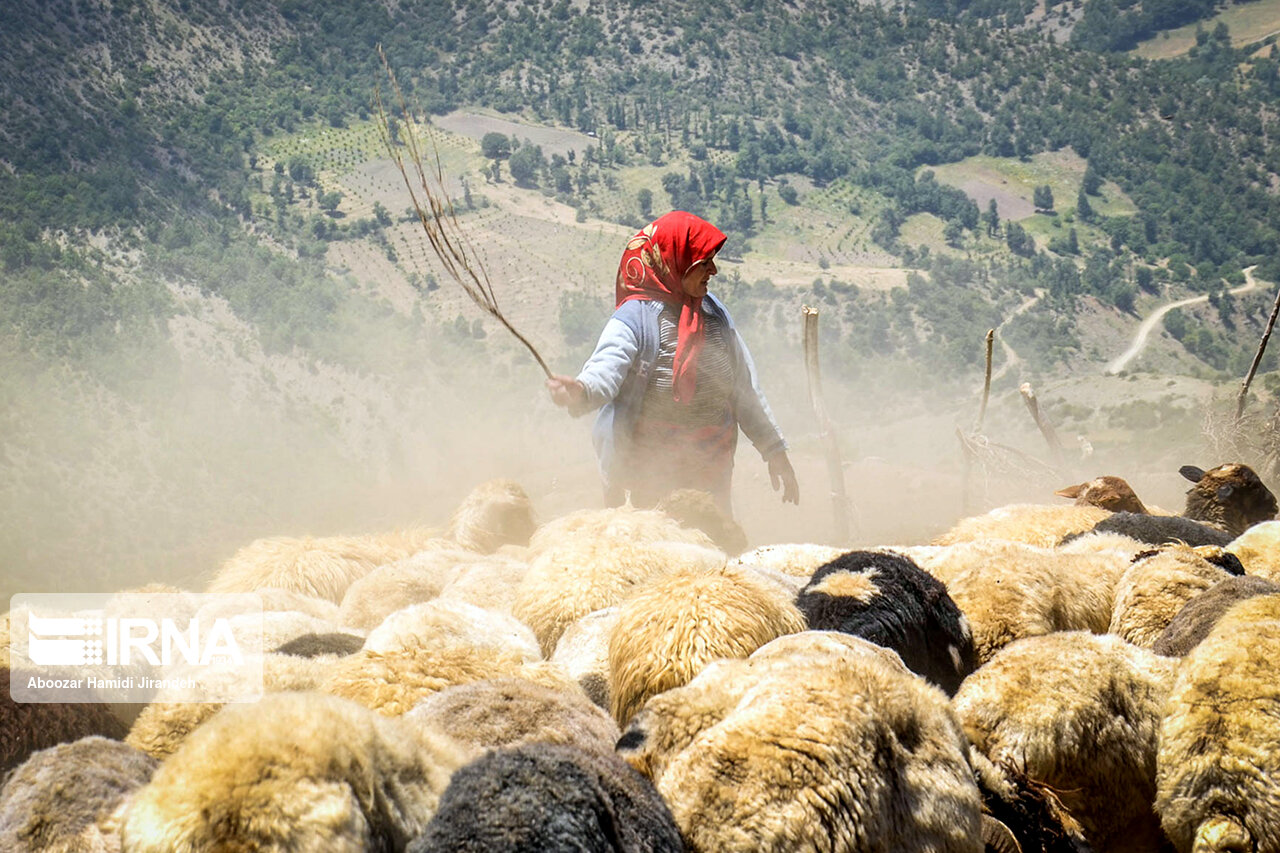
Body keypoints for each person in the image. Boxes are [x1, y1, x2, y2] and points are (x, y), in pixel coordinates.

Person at [546, 210, 799, 516]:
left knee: (712, 552)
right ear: (674, 261)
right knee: (651, 555)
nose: (713, 270)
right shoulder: (635, 317)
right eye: (703, 262)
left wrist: (774, 450)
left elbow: (744, 389)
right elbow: (606, 367)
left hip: (710, 471)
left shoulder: (715, 314)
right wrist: (582, 390)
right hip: (645, 474)